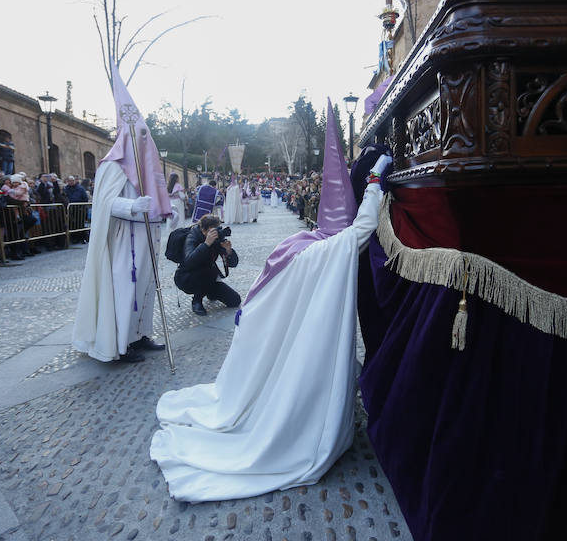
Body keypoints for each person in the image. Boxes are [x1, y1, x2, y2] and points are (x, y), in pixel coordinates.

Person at [150, 99, 392, 501]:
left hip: (292, 331)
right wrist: (374, 182)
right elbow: (365, 226)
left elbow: (265, 285)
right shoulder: (330, 248)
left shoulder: (301, 242)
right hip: (309, 338)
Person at [72, 62, 177, 364]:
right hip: (124, 241)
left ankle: (140, 335)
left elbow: (160, 202)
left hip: (148, 236)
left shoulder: (150, 169)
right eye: (138, 136)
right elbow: (103, 204)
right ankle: (120, 343)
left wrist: (161, 213)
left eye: (147, 137)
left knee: (145, 290)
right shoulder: (112, 167)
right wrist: (132, 206)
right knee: (125, 288)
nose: (143, 142)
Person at [173, 215, 240, 316]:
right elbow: (188, 262)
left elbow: (233, 264)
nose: (215, 233)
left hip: (209, 277)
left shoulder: (217, 236)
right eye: (212, 231)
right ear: (203, 230)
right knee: (207, 270)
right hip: (187, 278)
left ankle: (210, 292)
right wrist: (206, 244)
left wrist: (229, 251)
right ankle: (197, 300)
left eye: (217, 229)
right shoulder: (192, 237)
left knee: (234, 300)